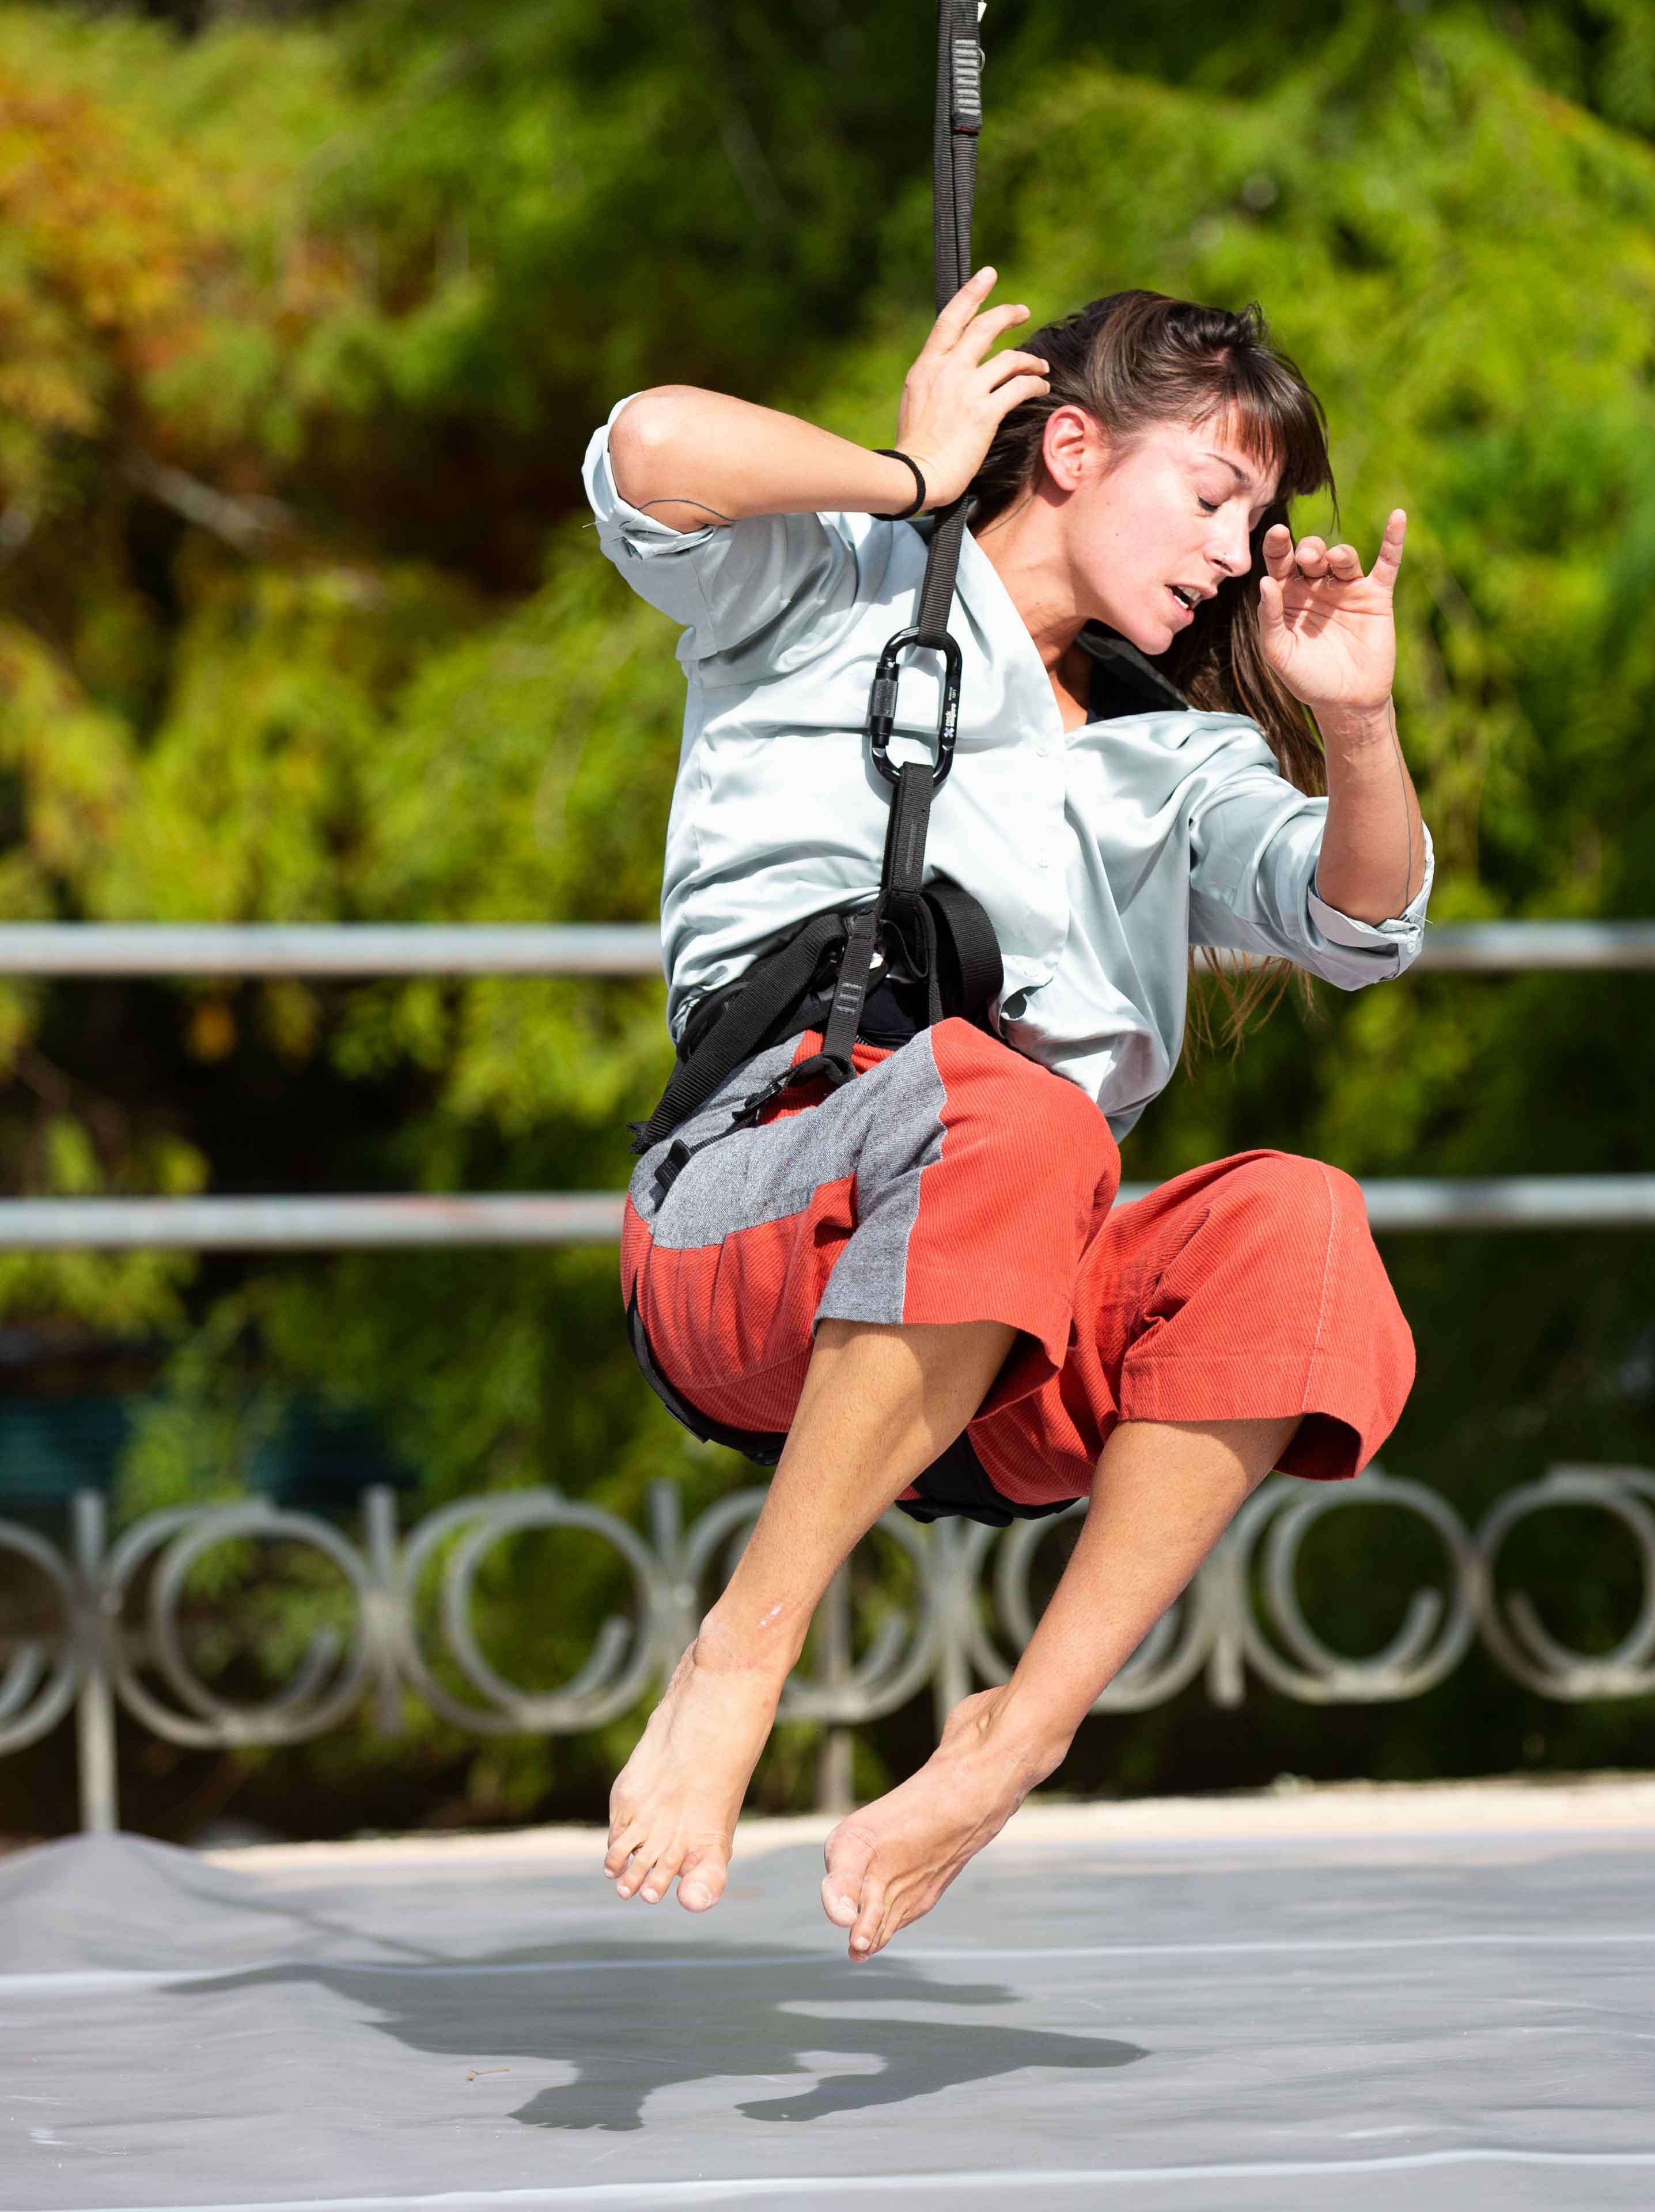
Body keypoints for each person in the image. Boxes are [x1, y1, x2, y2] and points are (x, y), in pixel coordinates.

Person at [589, 274, 1433, 1960]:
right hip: (756, 1219)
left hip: (1002, 1317)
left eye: (1256, 518)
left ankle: (1019, 1734)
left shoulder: (1172, 760)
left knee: (1300, 1226)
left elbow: (1364, 921)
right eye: (1213, 496)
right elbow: (651, 447)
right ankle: (744, 1651)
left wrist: (1356, 724)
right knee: (1022, 1118)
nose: (1234, 553)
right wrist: (904, 478)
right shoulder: (834, 582)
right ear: (1070, 447)